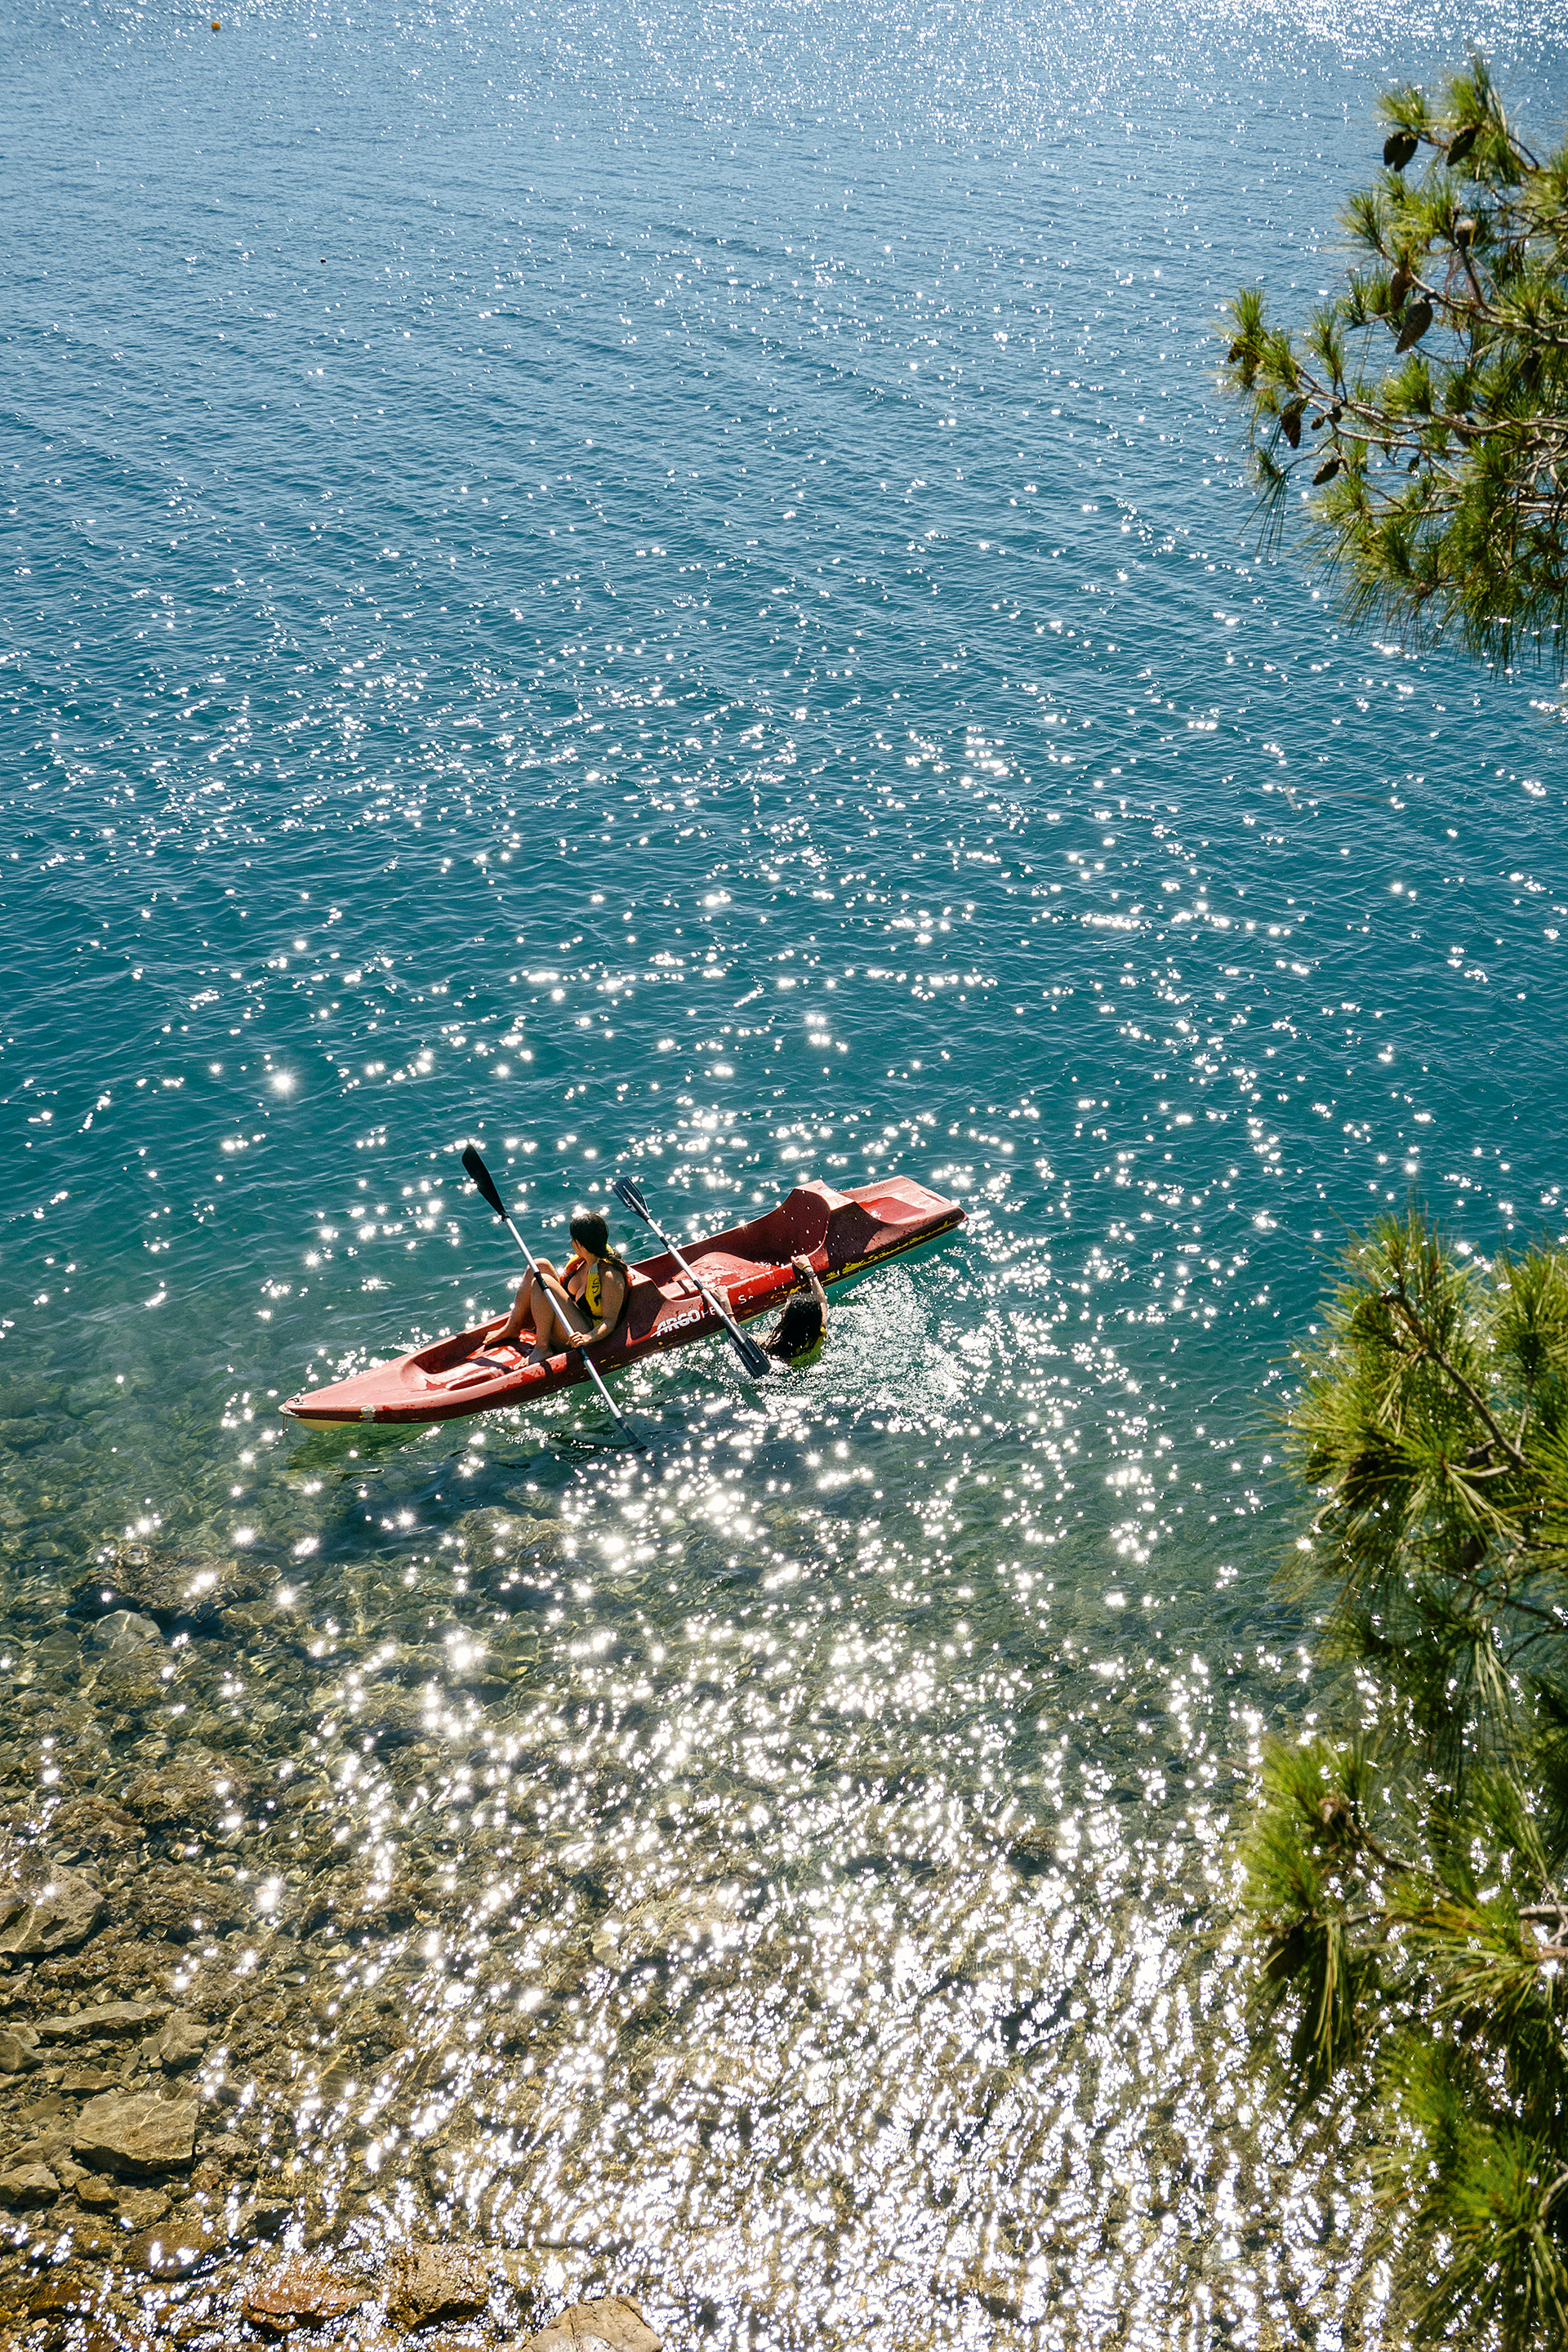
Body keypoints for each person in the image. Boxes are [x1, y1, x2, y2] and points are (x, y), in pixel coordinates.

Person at [487, 1209, 630, 1365]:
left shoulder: (609, 1276)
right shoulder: (585, 1261)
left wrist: (588, 1337)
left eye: (572, 1240)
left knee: (544, 1282)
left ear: (580, 1245)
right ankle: (513, 1326)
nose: (571, 1243)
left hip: (585, 1334)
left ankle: (542, 1348)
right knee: (539, 1265)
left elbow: (610, 1321)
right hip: (575, 1317)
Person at [764, 1254, 828, 1368]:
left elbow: (741, 1339)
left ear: (791, 1325)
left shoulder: (772, 1345)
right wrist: (808, 1270)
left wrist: (725, 1305)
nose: (781, 1312)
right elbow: (821, 1302)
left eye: (785, 1311)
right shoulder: (818, 1332)